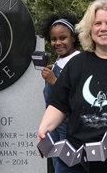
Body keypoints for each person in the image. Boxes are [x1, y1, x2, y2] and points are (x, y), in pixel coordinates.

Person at [38, 0, 107, 173]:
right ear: (90, 29)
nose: (103, 28)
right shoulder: (75, 65)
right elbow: (59, 104)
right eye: (98, 23)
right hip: (75, 163)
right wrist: (45, 128)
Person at [39, 12, 81, 172]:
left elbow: (75, 96)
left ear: (74, 38)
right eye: (54, 39)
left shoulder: (78, 62)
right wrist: (53, 69)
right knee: (55, 158)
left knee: (65, 161)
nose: (58, 43)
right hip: (54, 121)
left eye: (63, 38)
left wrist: (53, 81)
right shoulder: (61, 60)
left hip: (67, 123)